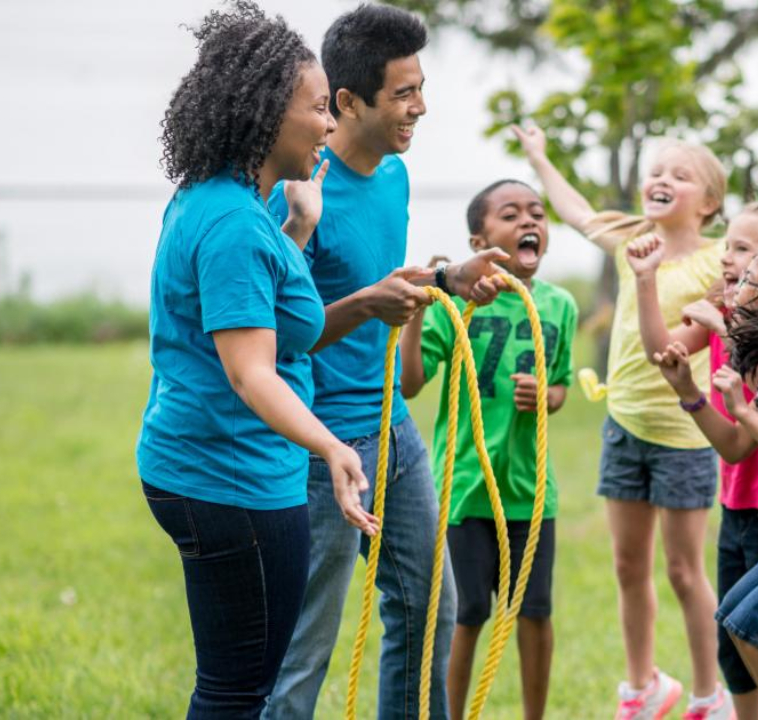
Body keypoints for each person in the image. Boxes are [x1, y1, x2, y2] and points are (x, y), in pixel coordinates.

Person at [262, 6, 506, 719]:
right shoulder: (299, 194)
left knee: (428, 611)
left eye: (420, 88)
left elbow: (380, 281)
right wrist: (369, 306)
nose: (420, 108)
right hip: (325, 448)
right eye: (404, 93)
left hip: (395, 434)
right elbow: (277, 339)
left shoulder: (394, 175)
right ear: (346, 101)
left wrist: (446, 277)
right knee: (306, 646)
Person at [138, 3, 376, 716]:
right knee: (239, 692)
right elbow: (250, 371)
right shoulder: (236, 224)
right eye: (316, 108)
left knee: (235, 684)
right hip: (232, 479)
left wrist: (300, 226)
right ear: (270, 113)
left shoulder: (227, 201)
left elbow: (267, 318)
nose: (330, 126)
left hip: (207, 466)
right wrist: (334, 447)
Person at [513, 123, 732, 719]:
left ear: (708, 203)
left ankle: (711, 696)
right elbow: (577, 210)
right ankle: (644, 688)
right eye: (657, 171)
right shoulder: (632, 238)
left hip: (684, 436)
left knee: (686, 573)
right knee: (627, 565)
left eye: (679, 176)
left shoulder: (719, 264)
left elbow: (677, 352)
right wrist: (539, 154)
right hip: (623, 426)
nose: (661, 179)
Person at [626, 202, 758, 720]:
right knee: (734, 646)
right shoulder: (722, 311)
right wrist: (646, 281)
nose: (727, 258)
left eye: (743, 249)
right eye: (727, 246)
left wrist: (727, 329)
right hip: (735, 502)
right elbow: (663, 351)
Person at [399, 179, 578, 720]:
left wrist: (545, 396)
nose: (529, 222)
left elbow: (562, 384)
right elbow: (410, 385)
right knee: (467, 611)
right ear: (480, 239)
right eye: (511, 214)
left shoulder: (561, 305)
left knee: (534, 611)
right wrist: (412, 318)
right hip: (464, 488)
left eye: (537, 213)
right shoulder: (455, 306)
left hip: (529, 489)